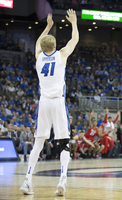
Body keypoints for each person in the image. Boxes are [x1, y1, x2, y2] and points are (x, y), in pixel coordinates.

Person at [20, 9, 79, 196]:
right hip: (58, 103)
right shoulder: (61, 55)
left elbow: (39, 41)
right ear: (54, 45)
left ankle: (27, 180)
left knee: (38, 143)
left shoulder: (38, 57)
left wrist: (48, 26)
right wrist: (74, 23)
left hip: (43, 103)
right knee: (64, 142)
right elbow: (74, 39)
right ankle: (62, 179)